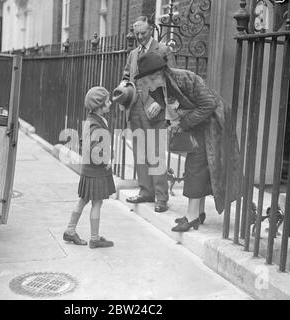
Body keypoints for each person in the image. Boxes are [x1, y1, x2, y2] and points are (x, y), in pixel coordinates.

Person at [134, 52, 240, 232]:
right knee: (202, 167)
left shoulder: (186, 78)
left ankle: (191, 218)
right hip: (198, 124)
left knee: (195, 167)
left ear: (156, 76)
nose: (144, 85)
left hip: (214, 123)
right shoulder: (159, 88)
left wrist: (183, 124)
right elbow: (174, 108)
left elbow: (209, 104)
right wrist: (171, 120)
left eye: (145, 80)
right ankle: (198, 214)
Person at [121, 16, 176, 213]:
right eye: (137, 34)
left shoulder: (163, 50)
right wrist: (123, 85)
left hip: (155, 110)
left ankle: (161, 197)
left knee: (155, 155)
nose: (140, 37)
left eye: (143, 33)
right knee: (140, 152)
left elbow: (172, 81)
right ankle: (146, 191)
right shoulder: (133, 53)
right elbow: (127, 75)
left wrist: (162, 104)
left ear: (151, 30)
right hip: (135, 107)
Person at [63, 87, 116, 249]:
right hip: (96, 172)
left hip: (89, 170)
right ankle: (94, 238)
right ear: (100, 105)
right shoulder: (96, 124)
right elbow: (94, 149)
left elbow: (82, 142)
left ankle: (70, 231)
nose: (110, 102)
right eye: (107, 101)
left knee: (83, 200)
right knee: (97, 203)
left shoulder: (91, 119)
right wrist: (105, 160)